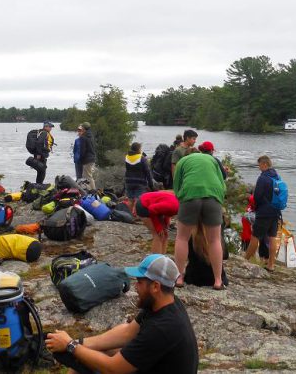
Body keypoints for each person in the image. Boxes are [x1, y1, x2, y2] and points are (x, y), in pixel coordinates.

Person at [45, 254, 198, 374]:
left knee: (85, 360)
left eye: (139, 282)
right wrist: (78, 342)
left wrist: (70, 346)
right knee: (88, 354)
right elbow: (126, 332)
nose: (135, 287)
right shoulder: (167, 302)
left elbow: (113, 369)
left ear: (156, 286)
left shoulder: (162, 328)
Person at [173, 151, 226, 289]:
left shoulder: (182, 161)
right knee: (214, 240)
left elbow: (176, 184)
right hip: (213, 195)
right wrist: (219, 200)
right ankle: (218, 281)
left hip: (190, 195)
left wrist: (182, 199)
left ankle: (179, 277)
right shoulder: (212, 159)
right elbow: (222, 182)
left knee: (182, 238)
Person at [244, 155, 281, 272]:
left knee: (255, 236)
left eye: (259, 165)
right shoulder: (277, 176)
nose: (259, 167)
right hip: (276, 211)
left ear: (265, 164)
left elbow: (257, 196)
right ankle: (271, 265)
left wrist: (256, 208)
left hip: (264, 212)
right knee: (272, 237)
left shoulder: (263, 178)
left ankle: (245, 260)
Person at [183, 219, 229, 287]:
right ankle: (218, 281)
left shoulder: (190, 236)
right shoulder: (216, 239)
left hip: (194, 278)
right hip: (213, 279)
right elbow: (225, 255)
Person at [124, 142, 154, 214]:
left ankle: (130, 215)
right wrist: (151, 184)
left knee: (130, 200)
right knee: (138, 200)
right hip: (139, 182)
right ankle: (137, 216)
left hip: (128, 182)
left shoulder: (127, 157)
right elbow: (147, 171)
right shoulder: (142, 158)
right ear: (138, 149)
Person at [240, 194, 269, 259]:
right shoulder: (253, 214)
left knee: (246, 248)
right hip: (248, 236)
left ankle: (250, 257)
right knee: (249, 249)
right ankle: (252, 258)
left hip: (246, 236)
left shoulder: (248, 210)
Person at [78, 122, 97, 190]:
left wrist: (80, 159)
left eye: (82, 127)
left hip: (87, 159)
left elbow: (83, 150)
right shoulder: (91, 135)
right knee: (87, 175)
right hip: (92, 158)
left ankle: (93, 190)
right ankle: (89, 190)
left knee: (87, 176)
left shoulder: (83, 137)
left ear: (83, 128)